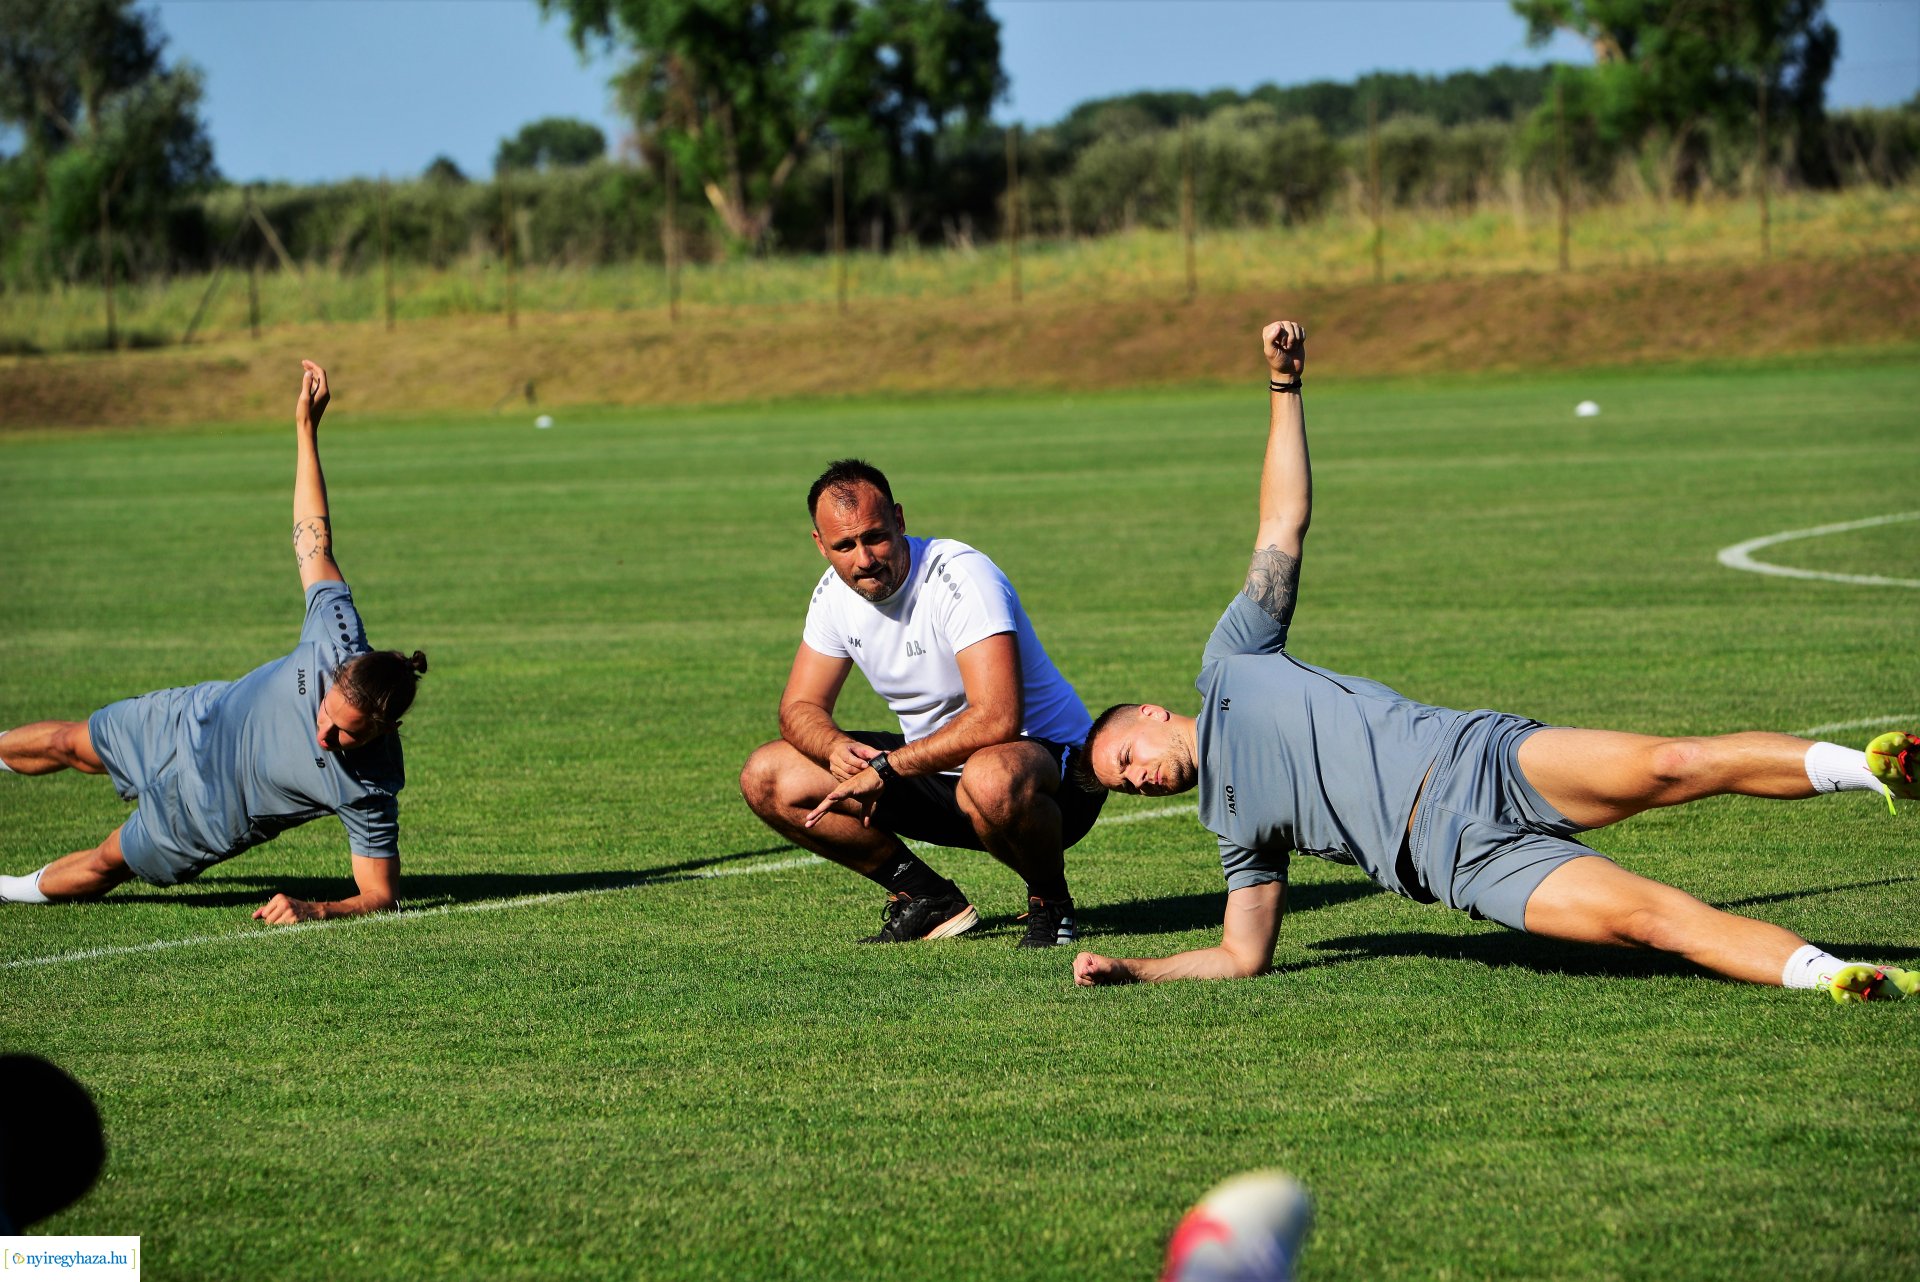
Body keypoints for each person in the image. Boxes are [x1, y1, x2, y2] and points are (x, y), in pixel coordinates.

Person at [1069, 321, 1919, 1003]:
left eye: (1126, 760)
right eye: (1123, 785)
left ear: (1150, 714)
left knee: (1676, 762)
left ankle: (1875, 766)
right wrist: (1133, 971)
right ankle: (1832, 975)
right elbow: (1241, 955)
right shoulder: (1232, 833)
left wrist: (1284, 387)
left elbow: (1282, 522)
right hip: (1461, 862)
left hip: (1478, 758)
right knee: (1647, 922)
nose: (1136, 779)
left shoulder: (1232, 660)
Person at [0, 362, 426, 924]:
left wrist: (316, 908)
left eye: (344, 732)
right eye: (326, 711)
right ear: (339, 675)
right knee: (71, 743)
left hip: (204, 818)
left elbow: (380, 896)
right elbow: (313, 532)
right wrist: (306, 431)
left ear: (385, 729)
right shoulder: (336, 634)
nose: (323, 734)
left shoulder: (373, 787)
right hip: (188, 720)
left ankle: (9, 888)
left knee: (109, 860)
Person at [740, 459, 1105, 946]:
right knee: (768, 774)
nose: (864, 559)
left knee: (989, 775)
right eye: (844, 546)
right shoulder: (832, 595)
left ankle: (1050, 903)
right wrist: (832, 749)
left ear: (900, 520)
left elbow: (997, 718)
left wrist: (887, 769)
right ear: (820, 545)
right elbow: (799, 707)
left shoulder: (959, 576)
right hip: (938, 775)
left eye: (875, 537)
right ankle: (926, 898)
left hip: (1049, 778)